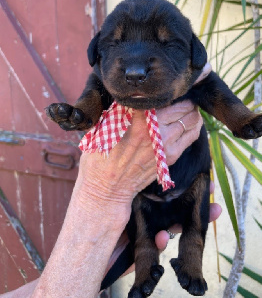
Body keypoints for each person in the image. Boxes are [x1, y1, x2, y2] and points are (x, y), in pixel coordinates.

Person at [2, 100, 221, 298]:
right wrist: (104, 193)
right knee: (145, 239)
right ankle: (145, 268)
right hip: (147, 198)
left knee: (178, 225)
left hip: (183, 184)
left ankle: (165, 263)